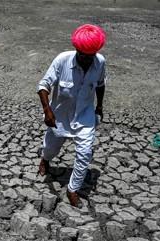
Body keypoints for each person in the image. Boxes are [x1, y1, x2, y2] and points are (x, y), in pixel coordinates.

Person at [36, 24, 107, 207]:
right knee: (51, 148)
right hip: (60, 116)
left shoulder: (100, 62)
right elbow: (43, 86)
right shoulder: (62, 60)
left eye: (90, 56)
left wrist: (99, 106)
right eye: (82, 54)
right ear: (76, 49)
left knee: (84, 154)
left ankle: (72, 189)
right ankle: (45, 160)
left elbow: (100, 85)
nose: (86, 59)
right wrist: (47, 110)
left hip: (85, 116)